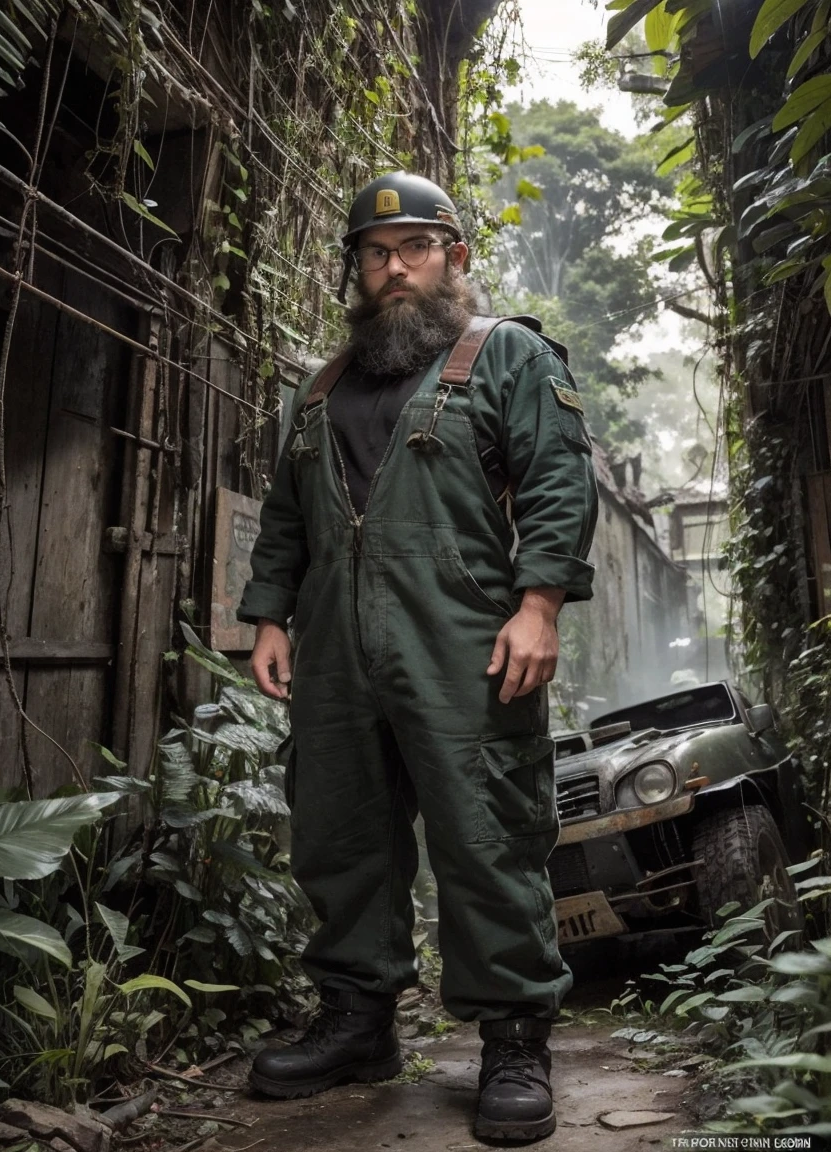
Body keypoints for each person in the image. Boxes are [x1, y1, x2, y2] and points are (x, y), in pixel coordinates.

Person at [237, 171, 598, 1144]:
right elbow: (285, 518)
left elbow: (560, 480)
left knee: (486, 835)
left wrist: (540, 605)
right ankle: (359, 1023)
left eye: (414, 247)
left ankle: (515, 1037)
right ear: (356, 267)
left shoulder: (505, 356)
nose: (394, 267)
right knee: (339, 834)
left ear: (455, 257)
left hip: (465, 643)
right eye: (375, 251)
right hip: (334, 653)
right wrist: (269, 616)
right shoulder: (323, 384)